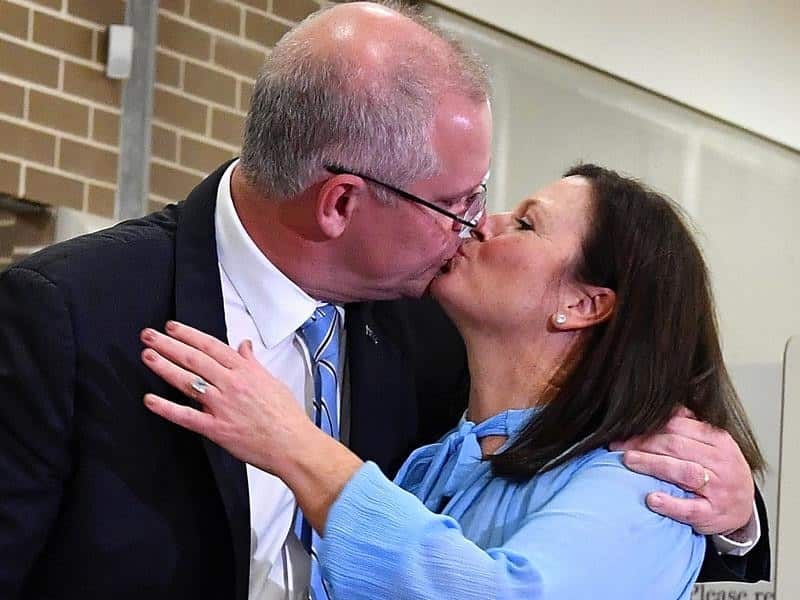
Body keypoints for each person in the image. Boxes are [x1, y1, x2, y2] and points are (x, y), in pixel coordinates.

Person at [0, 2, 766, 599]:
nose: (475, 223)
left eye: (503, 208)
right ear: (340, 203)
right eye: (457, 199)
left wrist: (738, 522)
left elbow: (620, 540)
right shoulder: (70, 313)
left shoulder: (436, 332)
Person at [141, 164, 766, 598]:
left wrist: (295, 446)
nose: (482, 222)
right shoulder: (441, 453)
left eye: (525, 224)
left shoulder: (638, 477)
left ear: (583, 306)